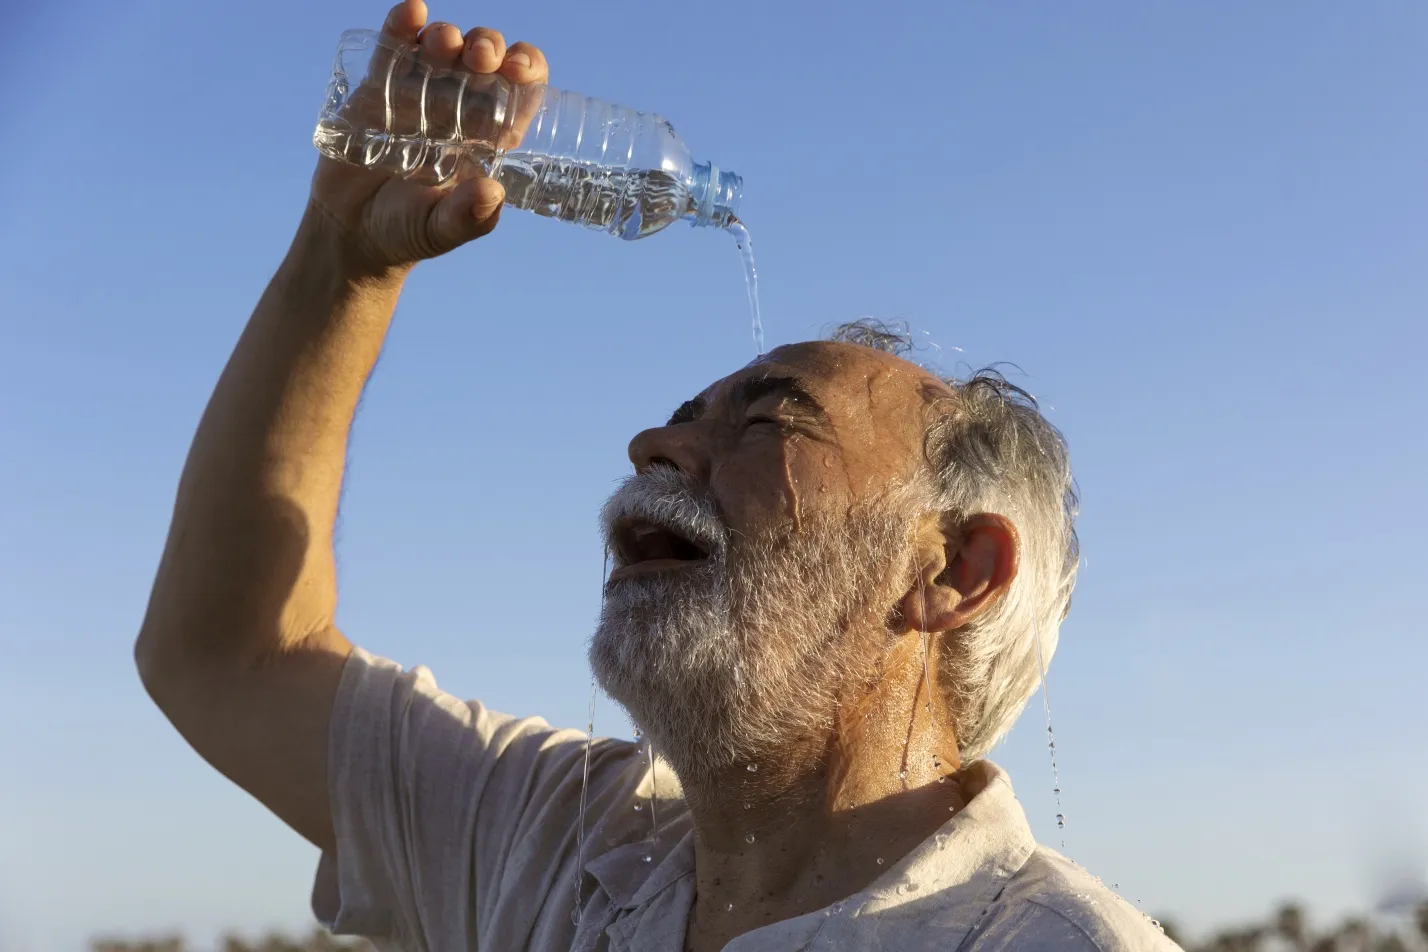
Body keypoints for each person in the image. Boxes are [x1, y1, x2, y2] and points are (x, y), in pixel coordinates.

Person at [135, 2, 1180, 949]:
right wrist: (342, 260)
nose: (652, 445)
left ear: (955, 570)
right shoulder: (558, 842)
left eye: (772, 419)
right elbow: (227, 653)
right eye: (681, 419)